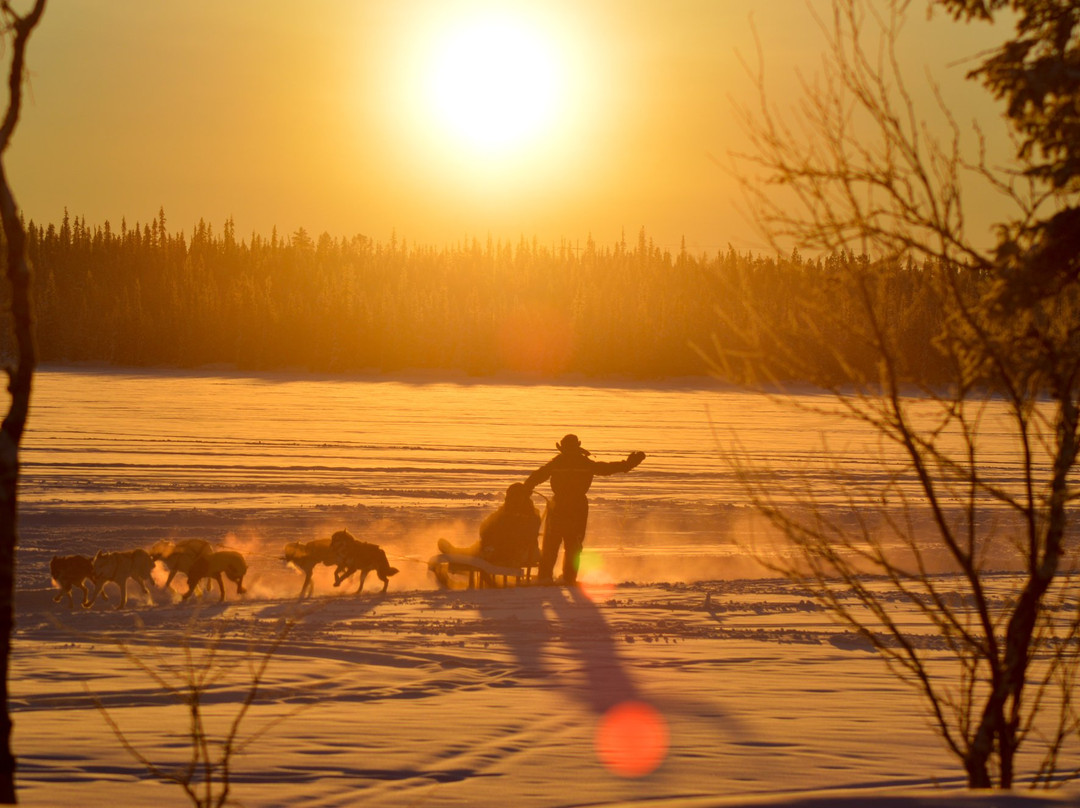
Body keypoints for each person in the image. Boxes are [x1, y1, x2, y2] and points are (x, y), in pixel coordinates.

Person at [523, 434, 645, 585]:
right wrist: (628, 464)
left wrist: (525, 489)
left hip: (559, 505)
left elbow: (537, 476)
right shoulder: (584, 463)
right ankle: (569, 578)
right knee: (573, 544)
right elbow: (607, 468)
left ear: (562, 447)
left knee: (551, 544)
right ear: (578, 446)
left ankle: (545, 578)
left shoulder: (557, 462)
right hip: (578, 507)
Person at [438, 482, 542, 569]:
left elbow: (523, 538)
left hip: (515, 553)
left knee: (479, 552)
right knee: (478, 549)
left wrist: (495, 543)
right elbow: (486, 526)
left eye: (512, 497)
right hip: (498, 547)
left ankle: (456, 554)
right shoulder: (505, 512)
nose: (509, 500)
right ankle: (456, 553)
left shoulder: (530, 516)